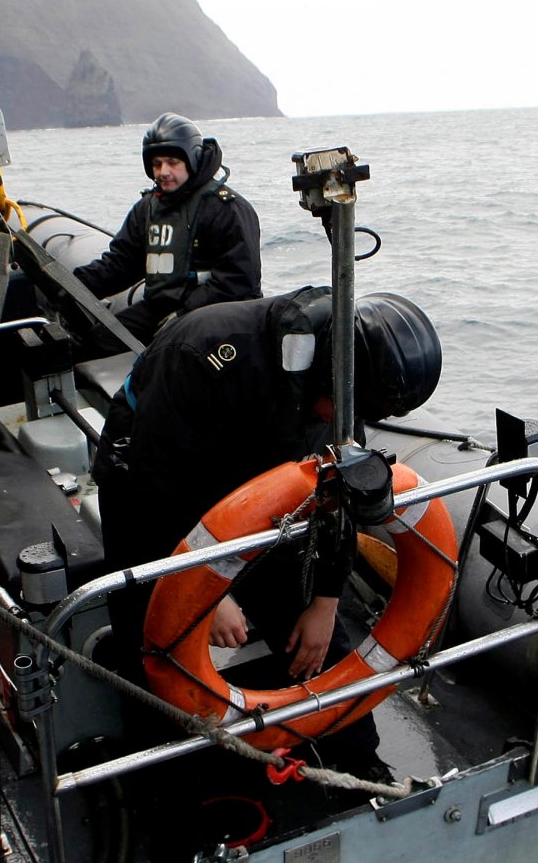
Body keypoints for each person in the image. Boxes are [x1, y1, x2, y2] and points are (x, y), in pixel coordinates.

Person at [93, 285, 443, 779]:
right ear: (330, 376)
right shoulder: (208, 352)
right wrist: (206, 595)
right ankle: (164, 783)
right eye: (351, 407)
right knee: (149, 642)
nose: (355, 420)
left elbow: (335, 500)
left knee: (314, 632)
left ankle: (360, 762)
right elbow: (157, 486)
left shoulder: (342, 399)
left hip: (260, 487)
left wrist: (324, 602)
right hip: (152, 481)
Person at [70, 112, 262, 359]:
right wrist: (72, 285)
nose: (163, 172)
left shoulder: (227, 209)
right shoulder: (147, 209)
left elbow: (239, 282)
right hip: (160, 307)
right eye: (157, 164)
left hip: (216, 314)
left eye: (172, 162)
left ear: (191, 160)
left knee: (165, 360)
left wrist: (185, 313)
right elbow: (121, 264)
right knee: (95, 344)